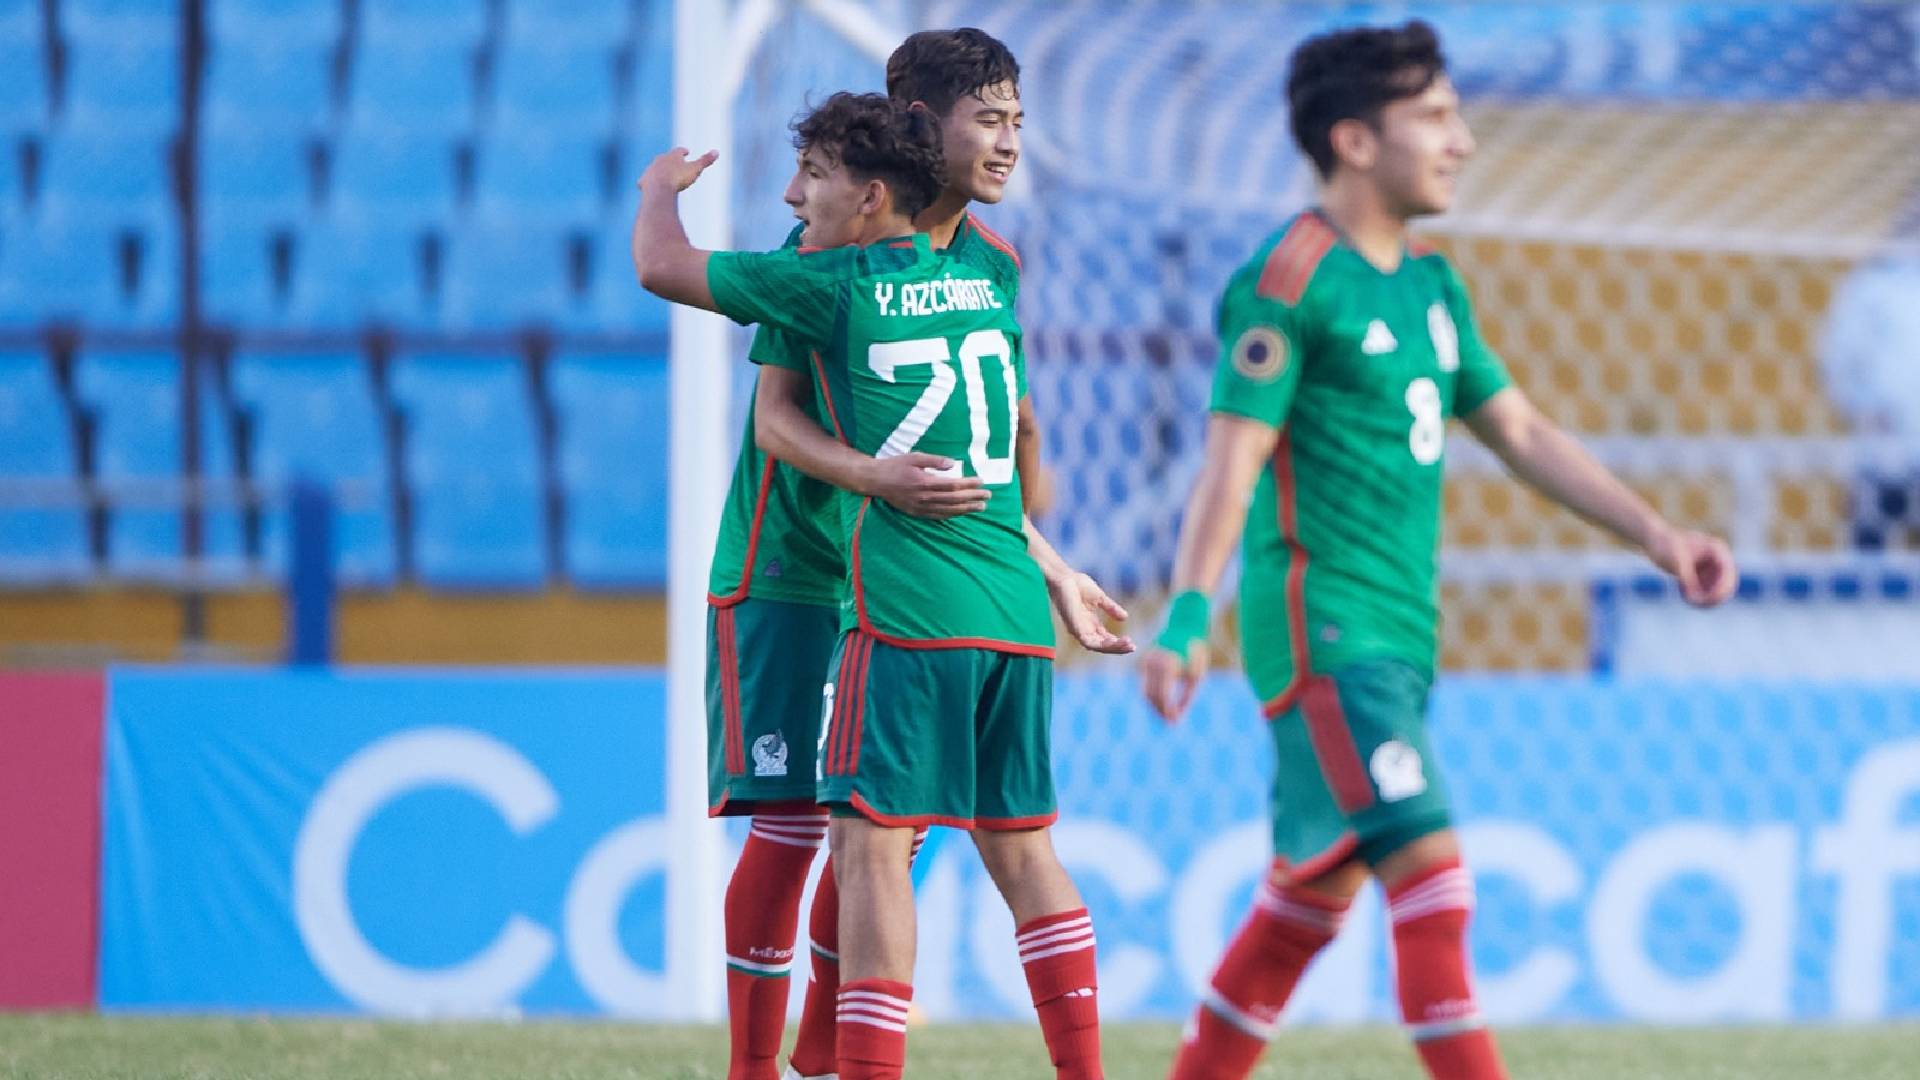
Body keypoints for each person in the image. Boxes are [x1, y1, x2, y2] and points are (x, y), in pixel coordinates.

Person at [1139, 21, 1739, 1080]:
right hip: (1325, 633)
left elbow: (1521, 432)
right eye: (1436, 118)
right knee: (1433, 876)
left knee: (1303, 909)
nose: (1462, 141)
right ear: (1356, 141)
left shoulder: (1432, 287)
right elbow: (1230, 465)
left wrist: (1658, 533)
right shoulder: (1290, 276)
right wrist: (1187, 617)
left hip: (1401, 640)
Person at [635, 92, 1128, 1080]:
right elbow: (788, 423)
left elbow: (661, 267)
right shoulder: (936, 278)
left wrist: (656, 188)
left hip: (899, 594)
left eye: (1017, 118)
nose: (1007, 140)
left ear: (866, 191)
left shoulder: (865, 275)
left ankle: (833, 1050)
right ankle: (765, 1060)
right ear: (927, 132)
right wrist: (1044, 562)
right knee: (843, 830)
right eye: (987, 117)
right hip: (813, 568)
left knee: (867, 836)